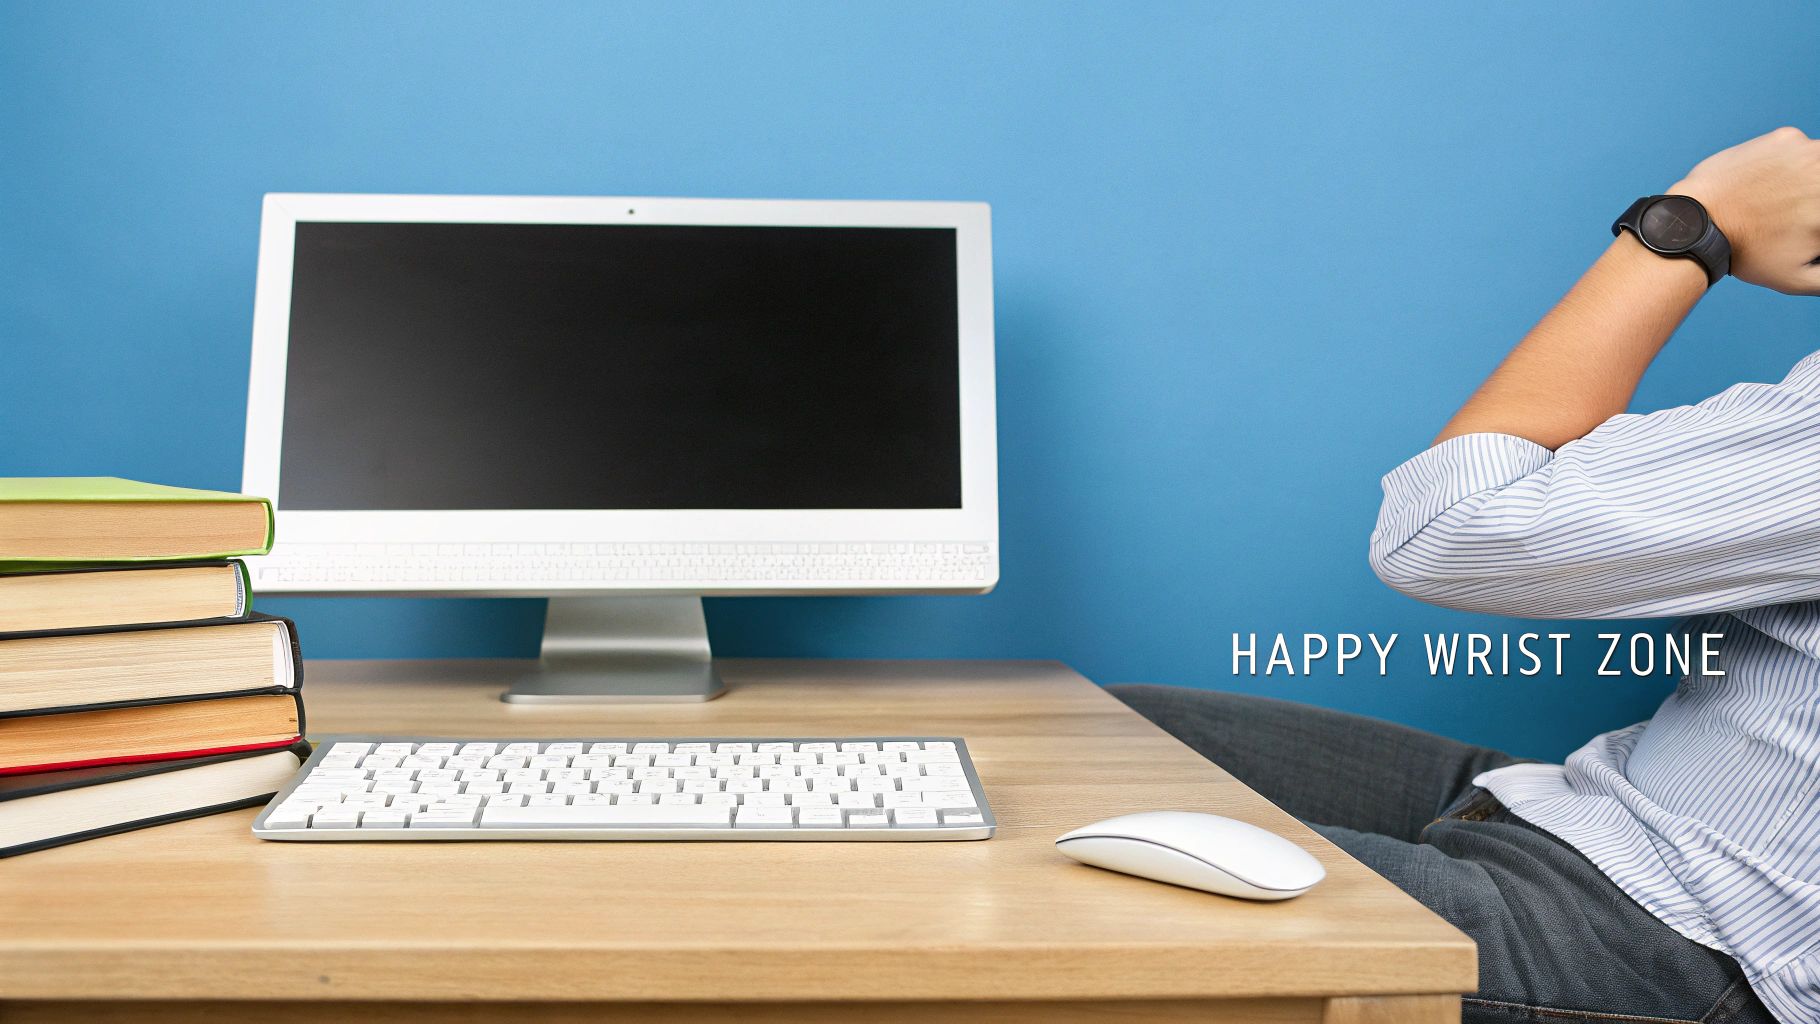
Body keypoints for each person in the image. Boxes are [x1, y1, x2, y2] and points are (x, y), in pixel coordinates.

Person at [1114, 126, 1820, 1024]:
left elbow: (1446, 526)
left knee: (1018, 873)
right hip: (1589, 815)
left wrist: (1688, 226)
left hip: (1674, 942)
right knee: (1088, 737)